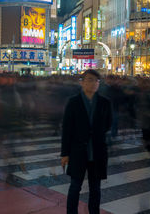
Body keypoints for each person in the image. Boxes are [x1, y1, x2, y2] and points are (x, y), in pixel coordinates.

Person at [61, 69, 112, 214]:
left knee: (95, 188)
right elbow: (67, 129)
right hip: (78, 151)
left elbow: (108, 124)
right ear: (82, 82)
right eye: (89, 80)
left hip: (97, 151)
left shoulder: (105, 103)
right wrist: (65, 153)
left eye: (96, 80)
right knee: (75, 186)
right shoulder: (73, 102)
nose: (93, 83)